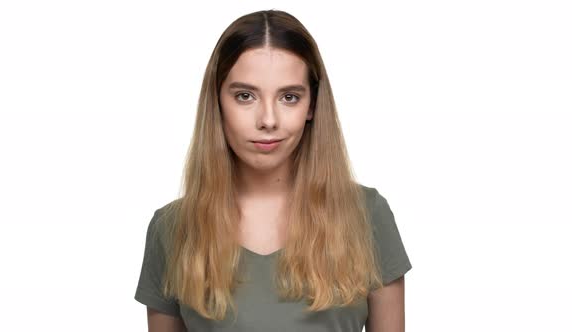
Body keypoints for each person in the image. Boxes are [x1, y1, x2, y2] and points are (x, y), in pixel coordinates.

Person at [134, 9, 412, 332]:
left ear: (312, 105)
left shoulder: (368, 216)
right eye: (245, 96)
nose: (268, 120)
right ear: (217, 101)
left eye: (289, 97)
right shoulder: (172, 231)